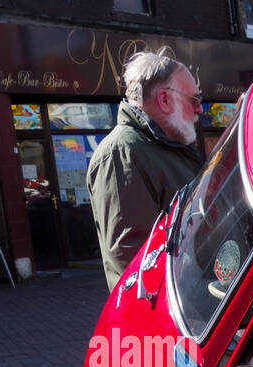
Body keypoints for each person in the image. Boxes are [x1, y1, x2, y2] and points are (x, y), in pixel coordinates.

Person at [87, 52, 203, 289]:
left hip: (197, 304)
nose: (200, 109)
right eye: (195, 99)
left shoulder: (170, 147)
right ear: (165, 100)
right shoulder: (122, 154)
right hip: (174, 314)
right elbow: (133, 262)